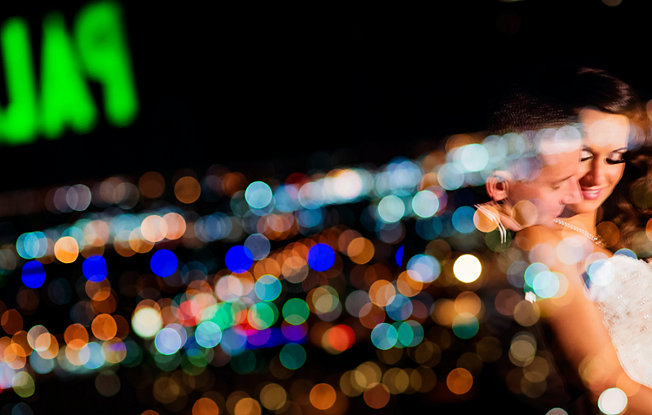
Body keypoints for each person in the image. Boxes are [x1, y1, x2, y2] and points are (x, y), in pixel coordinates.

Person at [512, 66, 652, 413]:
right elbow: (602, 384)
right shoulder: (542, 243)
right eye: (584, 154)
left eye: (615, 156)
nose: (598, 175)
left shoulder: (615, 240)